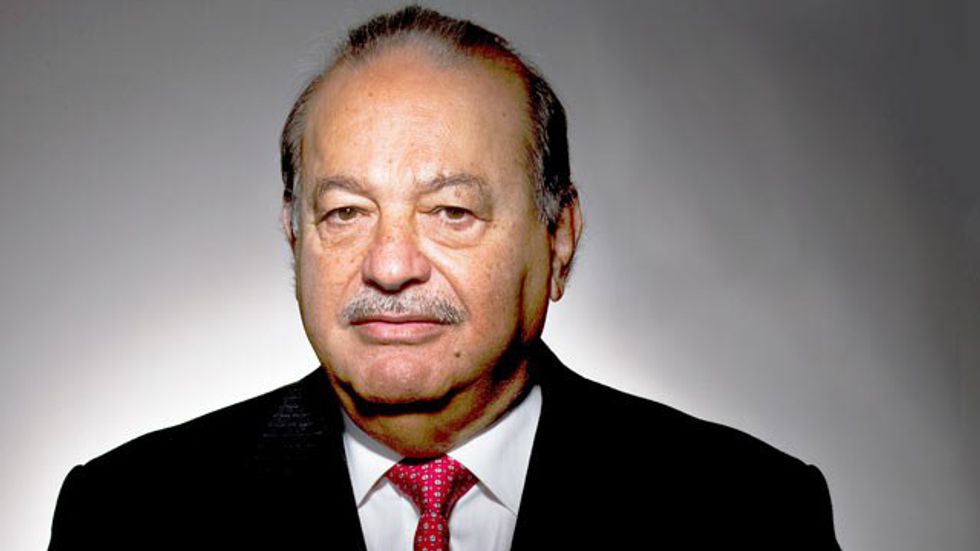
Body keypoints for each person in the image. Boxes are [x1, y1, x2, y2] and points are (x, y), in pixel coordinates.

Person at [49, 6, 840, 550]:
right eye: (345, 212)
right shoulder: (127, 516)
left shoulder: (749, 513)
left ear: (559, 239)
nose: (390, 265)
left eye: (451, 211)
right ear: (294, 237)